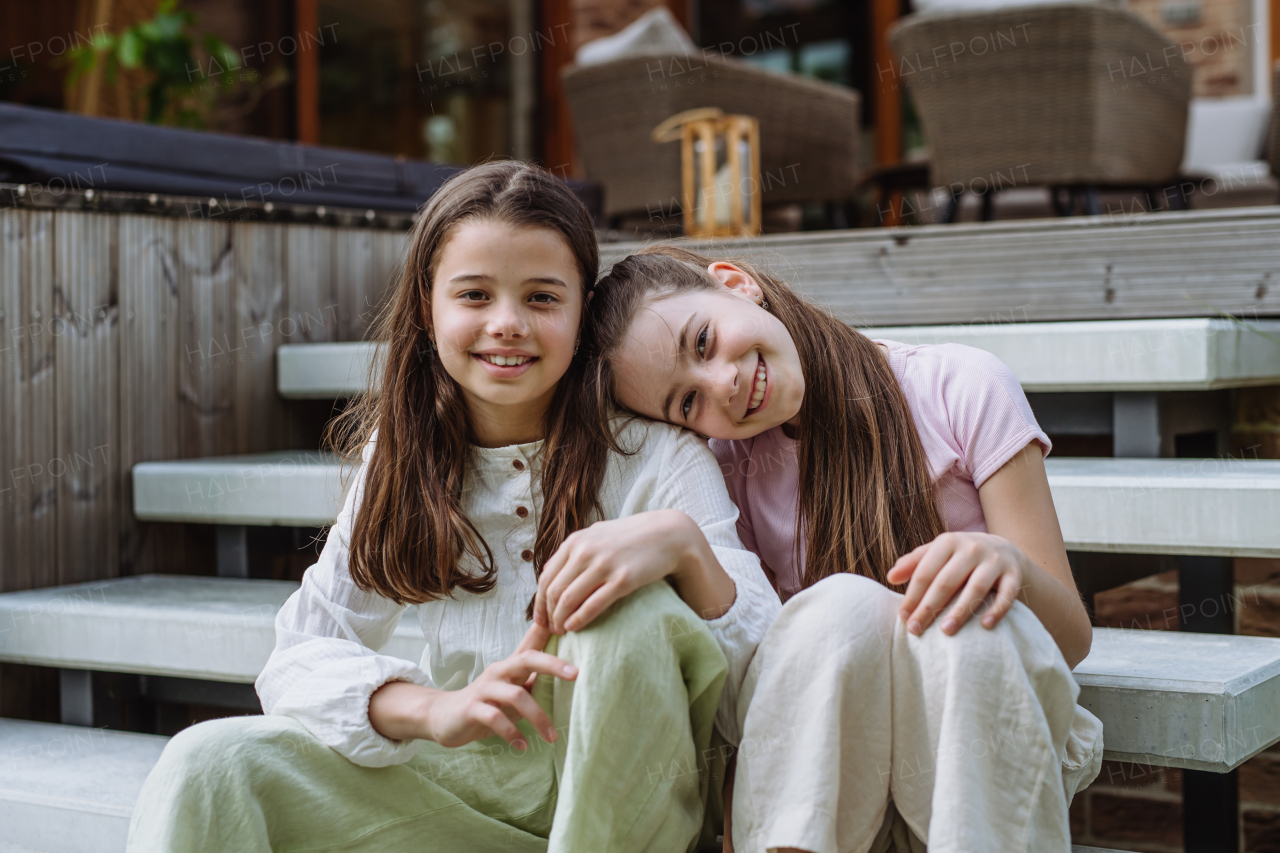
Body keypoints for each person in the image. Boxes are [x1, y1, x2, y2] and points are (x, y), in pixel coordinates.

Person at [126, 164, 779, 853]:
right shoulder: (404, 456)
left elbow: (759, 686)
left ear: (583, 311)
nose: (507, 324)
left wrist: (684, 549)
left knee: (627, 610)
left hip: (633, 802)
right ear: (427, 306)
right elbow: (300, 653)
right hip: (468, 795)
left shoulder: (658, 456)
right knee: (209, 763)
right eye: (474, 294)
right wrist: (434, 709)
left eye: (541, 297)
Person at [587, 245, 1105, 853]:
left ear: (736, 284)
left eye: (703, 342)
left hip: (974, 744)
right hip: (843, 777)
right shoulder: (730, 467)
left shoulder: (960, 386)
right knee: (839, 608)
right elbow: (779, 684)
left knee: (959, 621)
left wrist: (1008, 563)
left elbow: (1069, 637)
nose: (721, 384)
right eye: (687, 402)